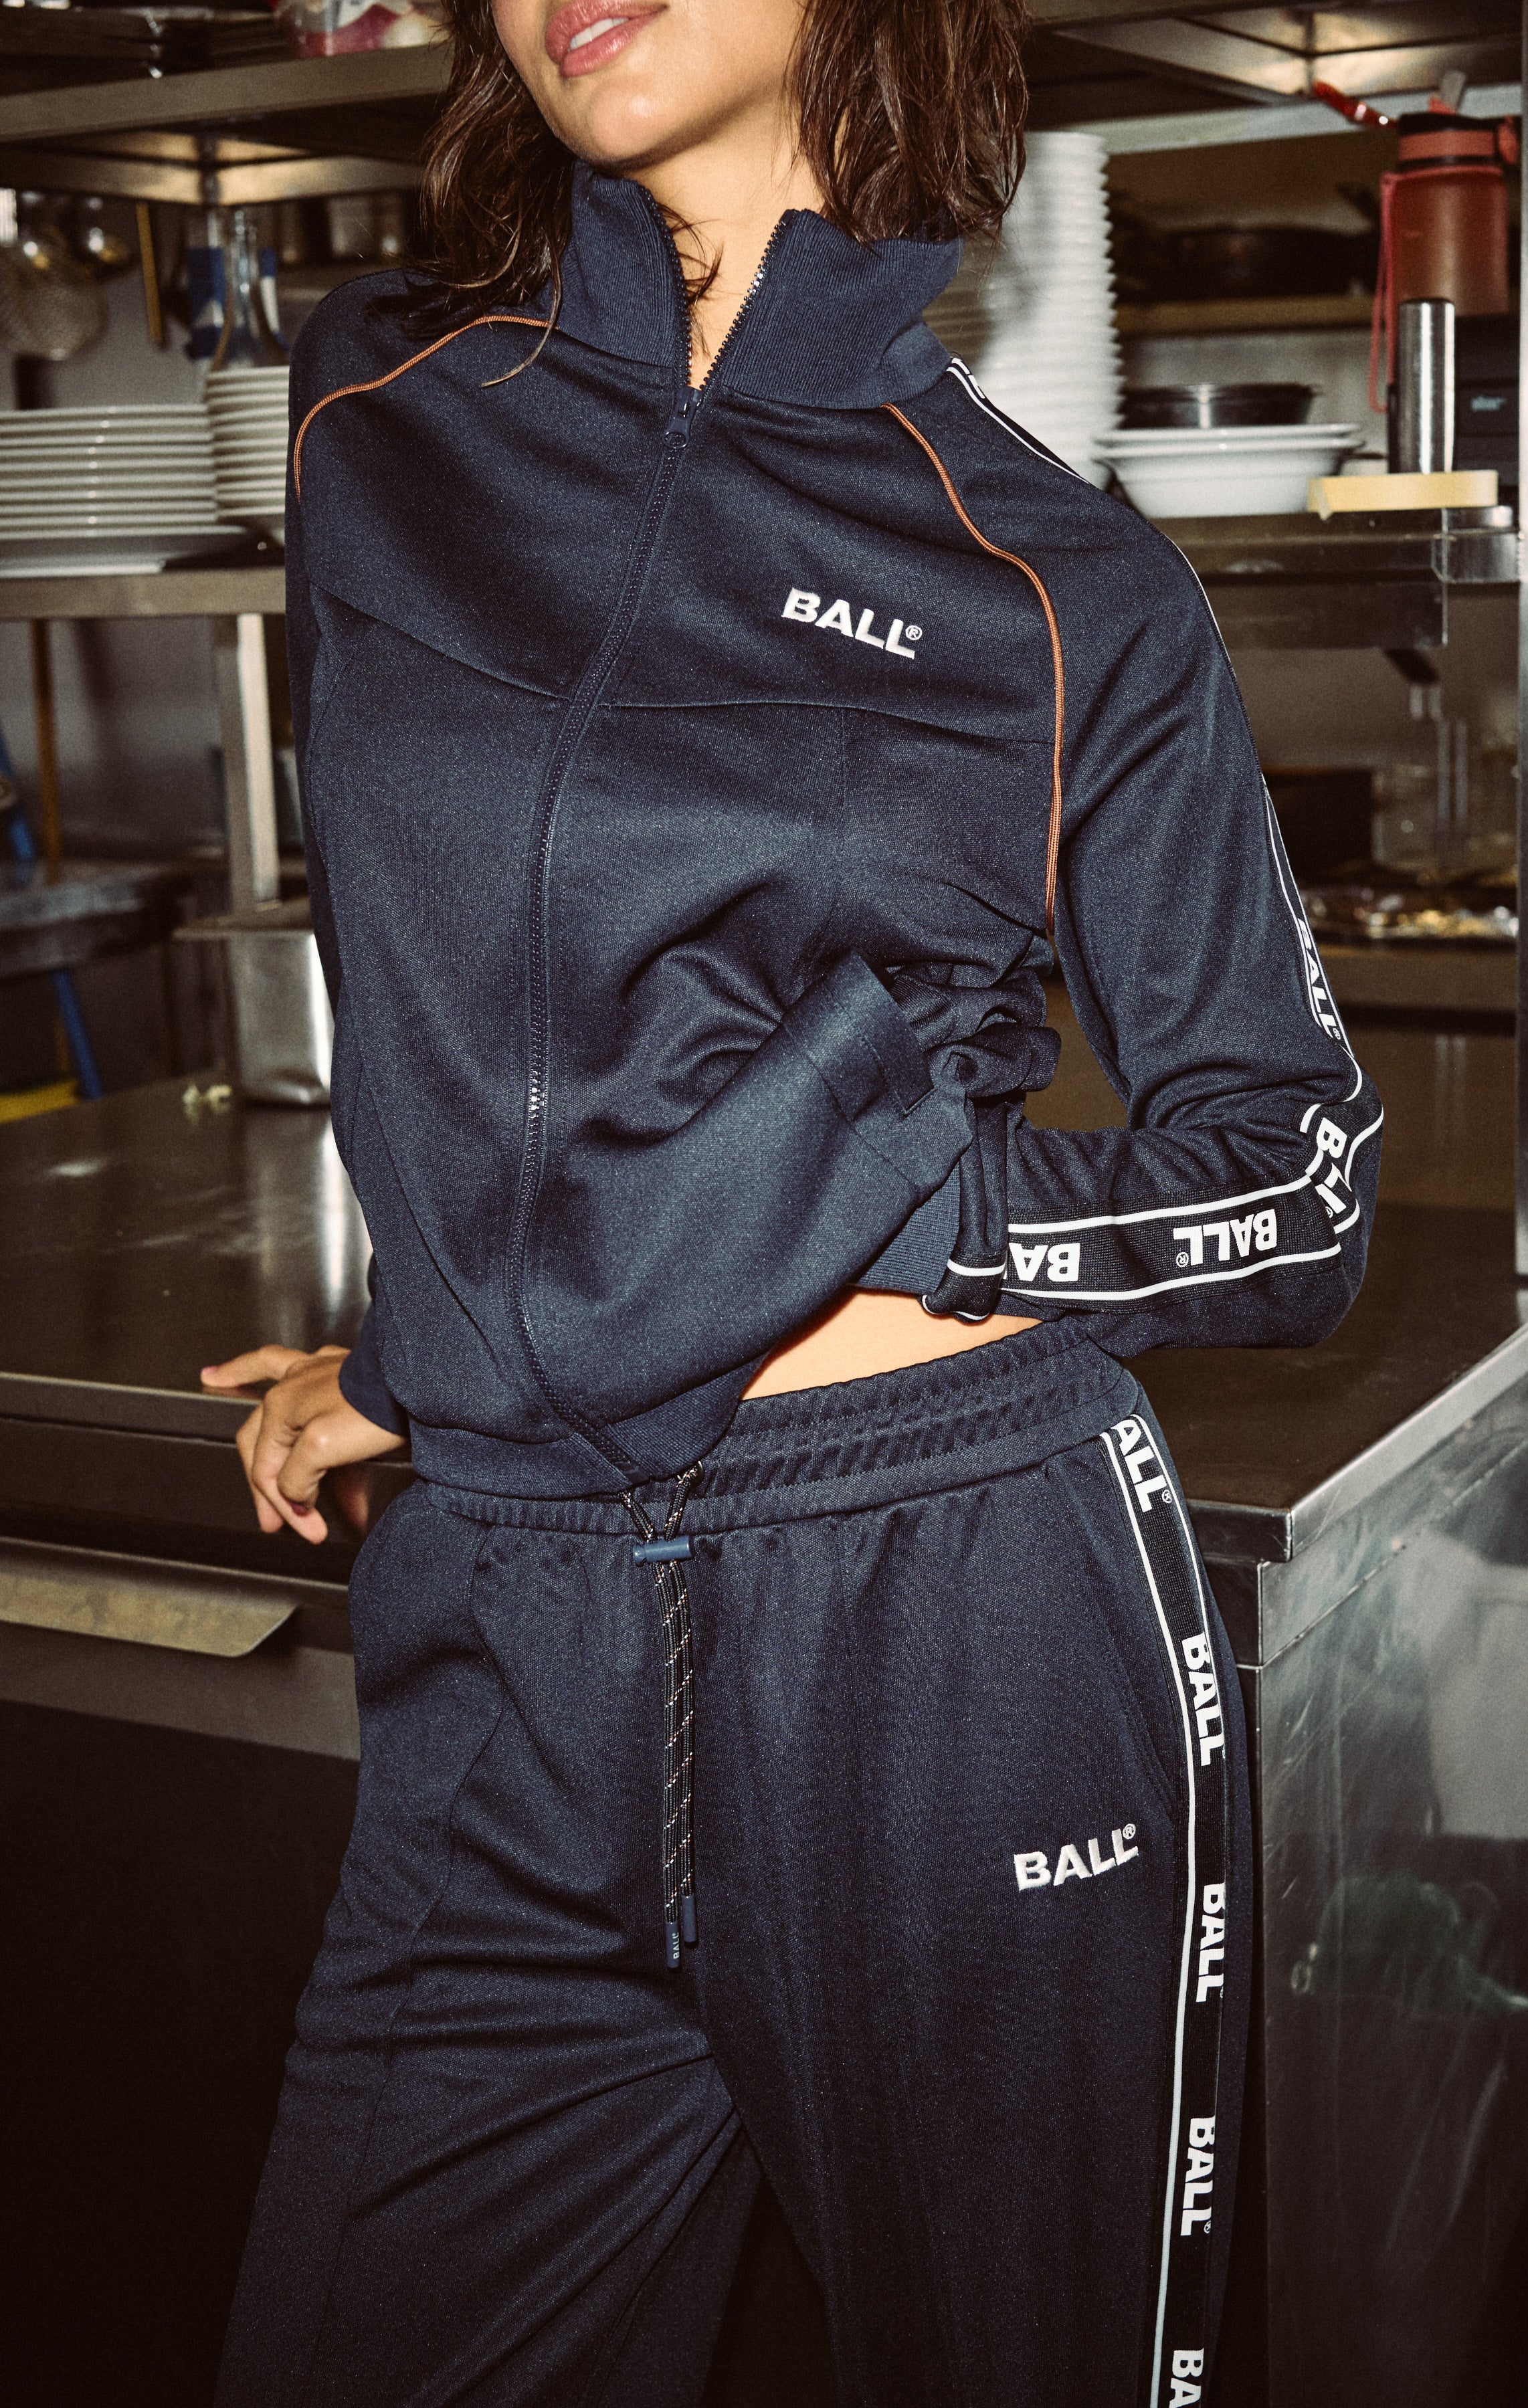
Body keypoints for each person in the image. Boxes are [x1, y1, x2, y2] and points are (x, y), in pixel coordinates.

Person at [205, 1, 1381, 2400]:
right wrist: (443, 1351)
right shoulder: (376, 411)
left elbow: (1300, 1181)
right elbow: (461, 995)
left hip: (947, 1619)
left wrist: (883, 1192)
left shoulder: (1058, 581)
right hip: (511, 1625)